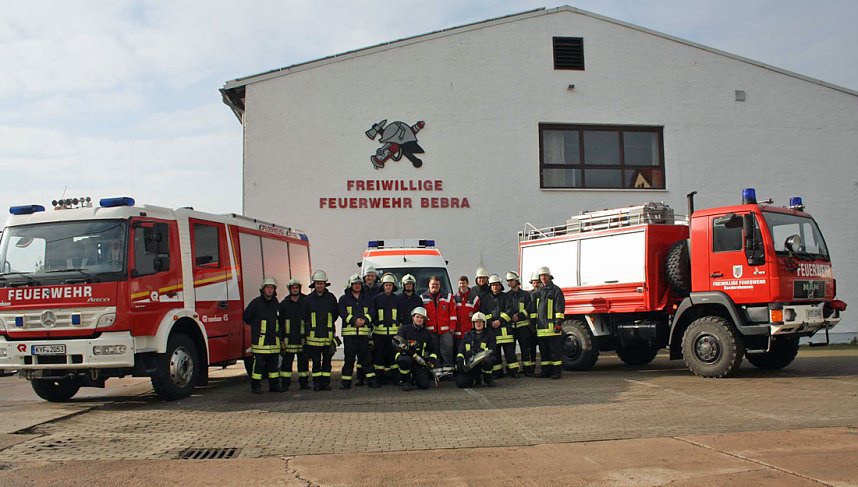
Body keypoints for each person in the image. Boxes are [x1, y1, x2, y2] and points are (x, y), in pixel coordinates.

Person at [243, 277, 284, 394]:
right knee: (258, 367)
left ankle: (274, 386)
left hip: (273, 343)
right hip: (260, 343)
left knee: (273, 368)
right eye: (267, 288)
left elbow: (280, 322)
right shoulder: (256, 303)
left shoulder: (276, 303)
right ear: (263, 289)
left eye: (272, 288)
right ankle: (256, 387)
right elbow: (246, 318)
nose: (270, 290)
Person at [338, 274, 378, 389]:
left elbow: (372, 313)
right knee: (349, 359)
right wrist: (354, 321)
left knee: (366, 359)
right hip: (349, 335)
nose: (357, 286)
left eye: (359, 284)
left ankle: (371, 381)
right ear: (350, 285)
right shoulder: (343, 299)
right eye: (355, 284)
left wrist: (364, 321)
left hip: (363, 334)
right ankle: (346, 383)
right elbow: (342, 313)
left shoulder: (367, 299)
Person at [304, 270, 338, 391]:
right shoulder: (308, 299)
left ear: (325, 284)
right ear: (314, 285)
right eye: (317, 283)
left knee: (327, 361)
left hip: (327, 336)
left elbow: (335, 314)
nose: (319, 286)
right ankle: (317, 383)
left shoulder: (331, 298)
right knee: (316, 361)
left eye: (321, 283)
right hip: (313, 337)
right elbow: (305, 316)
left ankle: (326, 383)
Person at [531, 266, 565, 380]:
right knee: (544, 352)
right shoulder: (537, 292)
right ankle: (546, 371)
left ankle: (557, 372)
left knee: (555, 351)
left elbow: (559, 308)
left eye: (545, 275)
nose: (543, 278)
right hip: (541, 328)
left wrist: (558, 323)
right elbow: (534, 310)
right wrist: (533, 323)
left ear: (549, 276)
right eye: (541, 276)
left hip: (552, 328)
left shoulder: (556, 290)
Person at [395, 306, 438, 391]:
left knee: (425, 385)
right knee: (405, 360)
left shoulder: (426, 333)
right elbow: (397, 343)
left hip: (419, 361)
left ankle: (414, 378)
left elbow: (433, 349)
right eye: (417, 317)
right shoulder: (404, 330)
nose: (419, 319)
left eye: (422, 318)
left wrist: (431, 359)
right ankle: (405, 381)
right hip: (405, 358)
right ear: (413, 317)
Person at [279, 278, 310, 390]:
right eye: (293, 288)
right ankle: (285, 384)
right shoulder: (284, 304)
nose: (295, 289)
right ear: (289, 289)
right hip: (288, 339)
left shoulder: (306, 301)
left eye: (296, 287)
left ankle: (304, 383)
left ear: (300, 288)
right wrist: (281, 339)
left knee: (303, 363)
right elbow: (280, 322)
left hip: (302, 338)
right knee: (286, 364)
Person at [421, 275, 456, 368]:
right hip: (430, 330)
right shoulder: (422, 298)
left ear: (440, 285)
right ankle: (436, 371)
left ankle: (448, 372)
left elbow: (453, 314)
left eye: (437, 284)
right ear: (429, 284)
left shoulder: (448, 297)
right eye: (433, 284)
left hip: (446, 330)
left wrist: (452, 327)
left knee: (447, 351)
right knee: (434, 352)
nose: (435, 286)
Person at [372, 273, 401, 384]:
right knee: (379, 356)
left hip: (393, 334)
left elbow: (400, 315)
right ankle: (378, 380)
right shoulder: (376, 299)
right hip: (379, 334)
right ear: (383, 286)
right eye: (386, 285)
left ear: (393, 286)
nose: (388, 287)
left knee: (393, 357)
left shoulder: (397, 299)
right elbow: (373, 314)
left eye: (390, 285)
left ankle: (396, 379)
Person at [455, 312, 496, 388]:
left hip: (482, 362)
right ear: (473, 323)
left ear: (484, 323)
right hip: (471, 364)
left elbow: (492, 349)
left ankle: (487, 378)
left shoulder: (490, 335)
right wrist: (460, 360)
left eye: (480, 321)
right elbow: (461, 350)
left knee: (489, 360)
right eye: (476, 322)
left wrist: (481, 351)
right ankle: (475, 379)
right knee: (461, 383)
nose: (478, 324)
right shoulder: (467, 335)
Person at [488, 274, 518, 378]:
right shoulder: (487, 299)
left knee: (510, 354)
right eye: (493, 285)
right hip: (493, 331)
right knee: (495, 354)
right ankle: (497, 372)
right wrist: (491, 322)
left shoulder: (507, 297)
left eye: (497, 285)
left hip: (505, 330)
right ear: (490, 287)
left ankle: (513, 371)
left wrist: (499, 321)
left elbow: (510, 311)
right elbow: (485, 313)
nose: (495, 287)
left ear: (500, 286)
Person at [505, 271, 534, 377]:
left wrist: (520, 316)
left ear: (517, 281)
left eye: (511, 280)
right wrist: (511, 316)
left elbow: (529, 308)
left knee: (525, 348)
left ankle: (527, 369)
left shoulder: (525, 295)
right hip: (511, 327)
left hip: (523, 327)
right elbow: (506, 309)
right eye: (508, 281)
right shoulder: (507, 296)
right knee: (511, 350)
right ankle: (513, 370)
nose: (510, 283)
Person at [452, 275, 474, 354]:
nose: (462, 285)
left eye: (464, 283)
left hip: (469, 332)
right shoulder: (453, 298)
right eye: (460, 283)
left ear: (468, 284)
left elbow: (477, 313)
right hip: (457, 333)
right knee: (458, 353)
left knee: (469, 352)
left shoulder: (474, 298)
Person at [528, 271, 542, 370]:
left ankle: (545, 367)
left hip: (542, 325)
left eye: (537, 282)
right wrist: (531, 324)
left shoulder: (544, 293)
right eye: (534, 282)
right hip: (531, 325)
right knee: (531, 347)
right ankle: (532, 367)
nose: (536, 284)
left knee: (543, 348)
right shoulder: (529, 295)